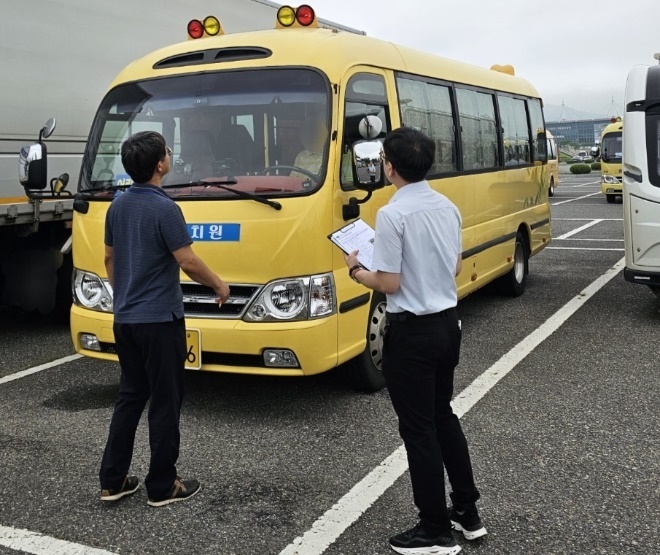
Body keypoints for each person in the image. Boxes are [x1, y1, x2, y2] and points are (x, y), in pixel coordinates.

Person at [344, 127, 486, 554]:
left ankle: (434, 529)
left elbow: (389, 282)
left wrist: (356, 269)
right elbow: (454, 267)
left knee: (419, 430)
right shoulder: (447, 206)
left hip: (412, 333)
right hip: (447, 326)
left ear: (388, 167)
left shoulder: (393, 214)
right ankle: (467, 512)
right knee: (443, 416)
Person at [99, 131, 230, 507]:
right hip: (160, 320)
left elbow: (109, 258)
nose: (170, 155)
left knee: (130, 396)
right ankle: (162, 484)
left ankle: (112, 480)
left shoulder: (117, 206)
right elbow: (187, 260)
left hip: (125, 319)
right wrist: (218, 285)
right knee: (165, 400)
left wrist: (123, 294)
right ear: (160, 165)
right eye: (167, 152)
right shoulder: (165, 208)